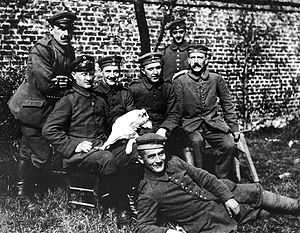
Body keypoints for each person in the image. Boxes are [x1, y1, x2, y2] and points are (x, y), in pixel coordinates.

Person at [135, 133, 300, 233]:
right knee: (260, 212)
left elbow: (205, 177)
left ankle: (296, 206)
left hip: (223, 192)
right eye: (151, 156)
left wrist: (227, 197)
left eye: (160, 154)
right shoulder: (149, 191)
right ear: (141, 160)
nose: (158, 160)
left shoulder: (175, 162)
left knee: (258, 194)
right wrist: (168, 232)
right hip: (208, 218)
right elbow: (142, 227)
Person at [42, 55, 135, 227]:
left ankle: (136, 198)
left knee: (130, 152)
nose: (88, 77)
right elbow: (49, 130)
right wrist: (75, 145)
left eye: (90, 73)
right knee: (107, 159)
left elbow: (108, 126)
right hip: (78, 154)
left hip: (100, 147)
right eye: (83, 73)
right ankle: (121, 206)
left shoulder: (99, 99)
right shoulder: (69, 99)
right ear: (73, 76)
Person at [16, 10, 76, 207]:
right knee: (36, 151)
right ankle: (24, 193)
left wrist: (65, 81)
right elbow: (46, 83)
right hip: (33, 106)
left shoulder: (68, 50)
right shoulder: (41, 49)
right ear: (51, 29)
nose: (66, 33)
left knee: (44, 150)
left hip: (51, 106)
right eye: (61, 29)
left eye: (69, 29)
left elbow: (68, 78)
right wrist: (63, 81)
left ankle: (37, 188)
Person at [173, 44, 240, 181]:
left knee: (228, 144)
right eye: (193, 58)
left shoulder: (216, 79)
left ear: (206, 60)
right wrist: (177, 130)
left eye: (200, 57)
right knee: (197, 142)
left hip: (213, 124)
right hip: (190, 125)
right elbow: (176, 109)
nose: (196, 61)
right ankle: (202, 179)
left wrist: (234, 128)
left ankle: (222, 178)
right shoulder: (180, 82)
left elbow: (227, 103)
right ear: (188, 61)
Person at [128, 52, 179, 139]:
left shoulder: (167, 87)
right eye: (150, 69)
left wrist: (164, 128)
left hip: (164, 129)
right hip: (142, 130)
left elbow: (173, 113)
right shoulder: (135, 88)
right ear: (143, 71)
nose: (155, 72)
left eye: (158, 68)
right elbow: (130, 114)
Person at [94, 55, 135, 129]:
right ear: (101, 72)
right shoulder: (94, 93)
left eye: (115, 71)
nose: (112, 75)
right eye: (108, 71)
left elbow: (131, 117)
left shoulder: (125, 93)